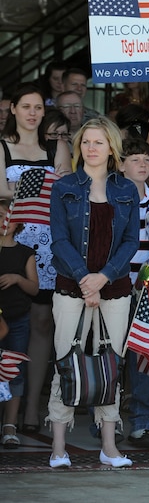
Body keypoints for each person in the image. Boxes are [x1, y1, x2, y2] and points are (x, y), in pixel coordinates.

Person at [47, 117, 140, 468]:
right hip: (71, 286)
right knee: (65, 364)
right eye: (86, 142)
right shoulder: (64, 187)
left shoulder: (126, 189)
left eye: (98, 142)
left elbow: (131, 241)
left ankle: (109, 448)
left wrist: (103, 278)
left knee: (111, 368)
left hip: (114, 288)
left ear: (111, 147)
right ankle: (58, 448)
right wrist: (85, 278)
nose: (91, 148)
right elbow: (59, 239)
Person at [0, 84, 72, 435]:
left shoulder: (55, 146)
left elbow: (67, 191)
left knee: (42, 323)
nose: (32, 113)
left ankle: (31, 408)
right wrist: (38, 185)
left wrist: (22, 188)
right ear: (12, 108)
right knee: (9, 323)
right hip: (9, 246)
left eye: (37, 108)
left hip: (47, 247)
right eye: (24, 106)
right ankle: (8, 411)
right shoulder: (1, 146)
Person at [119, 138, 149, 449]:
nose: (142, 163)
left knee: (146, 358)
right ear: (121, 164)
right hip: (114, 289)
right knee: (111, 357)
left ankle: (145, 423)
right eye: (134, 158)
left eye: (146, 158)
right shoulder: (109, 199)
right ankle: (106, 421)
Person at [0, 198, 39, 449]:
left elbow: (34, 289)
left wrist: (16, 278)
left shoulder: (25, 252)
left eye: (8, 216)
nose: (4, 221)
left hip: (17, 319)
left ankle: (10, 425)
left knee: (15, 372)